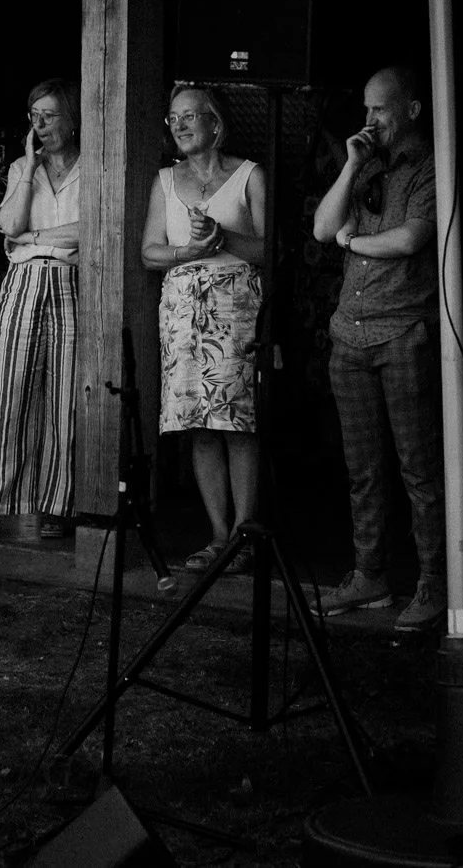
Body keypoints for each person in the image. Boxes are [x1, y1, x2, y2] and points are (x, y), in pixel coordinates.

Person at [309, 65, 446, 633]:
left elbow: (413, 238)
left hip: (401, 334)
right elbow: (322, 228)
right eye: (365, 109)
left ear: (411, 110)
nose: (369, 120)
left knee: (419, 469)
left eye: (380, 109)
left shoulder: (432, 167)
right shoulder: (365, 165)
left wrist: (352, 241)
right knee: (362, 468)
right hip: (350, 335)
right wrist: (349, 165)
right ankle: (370, 574)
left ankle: (435, 585)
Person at [141, 84, 268, 572]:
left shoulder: (250, 176)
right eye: (173, 119)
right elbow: (149, 252)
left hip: (234, 307)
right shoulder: (165, 181)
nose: (180, 125)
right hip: (182, 312)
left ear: (216, 122)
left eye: (190, 116)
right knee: (199, 425)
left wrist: (222, 239)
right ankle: (218, 536)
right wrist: (187, 253)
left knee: (237, 423)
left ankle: (245, 535)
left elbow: (270, 250)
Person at [0, 78, 83, 541]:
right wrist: (28, 167)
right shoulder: (24, 166)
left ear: (72, 119)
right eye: (34, 115)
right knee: (8, 393)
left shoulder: (96, 167)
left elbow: (93, 229)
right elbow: (10, 224)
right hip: (23, 281)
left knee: (66, 394)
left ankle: (59, 505)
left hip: (72, 279)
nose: (40, 124)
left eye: (49, 115)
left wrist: (35, 239)